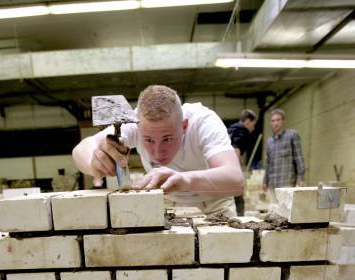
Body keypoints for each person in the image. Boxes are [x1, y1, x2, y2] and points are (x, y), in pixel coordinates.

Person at [72, 85, 244, 217]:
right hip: (168, 203)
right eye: (148, 140)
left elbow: (235, 181)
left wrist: (185, 179)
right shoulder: (133, 123)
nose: (157, 152)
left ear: (184, 126)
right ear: (138, 130)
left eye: (167, 139)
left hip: (214, 203)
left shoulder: (203, 121)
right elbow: (82, 148)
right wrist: (94, 163)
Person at [263, 109, 306, 203]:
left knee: (286, 213)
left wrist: (301, 178)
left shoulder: (292, 135)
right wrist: (265, 181)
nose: (275, 123)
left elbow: (299, 157)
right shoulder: (269, 141)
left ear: (283, 121)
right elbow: (268, 164)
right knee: (274, 212)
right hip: (273, 184)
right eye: (273, 121)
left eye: (278, 120)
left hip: (287, 183)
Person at [227, 109, 257, 215]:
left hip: (219, 169)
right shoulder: (242, 131)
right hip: (230, 171)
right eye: (253, 124)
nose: (253, 128)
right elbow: (235, 152)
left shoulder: (230, 129)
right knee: (238, 200)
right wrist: (238, 176)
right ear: (248, 121)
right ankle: (240, 221)